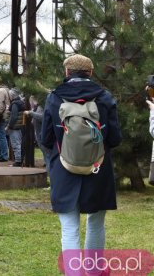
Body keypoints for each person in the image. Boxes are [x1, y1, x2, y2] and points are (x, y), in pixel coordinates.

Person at [41, 54, 121, 273]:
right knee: (96, 223)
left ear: (67, 72)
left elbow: (46, 138)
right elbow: (114, 139)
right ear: (91, 73)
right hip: (98, 168)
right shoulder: (104, 97)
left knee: (69, 228)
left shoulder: (55, 97)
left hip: (64, 169)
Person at [25, 96, 50, 172]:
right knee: (45, 154)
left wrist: (31, 113)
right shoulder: (39, 107)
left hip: (43, 134)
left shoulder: (42, 106)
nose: (31, 103)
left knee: (47, 154)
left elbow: (42, 117)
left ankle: (49, 172)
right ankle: (47, 169)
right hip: (39, 134)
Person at [5, 88, 25, 167]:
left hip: (15, 127)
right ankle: (19, 160)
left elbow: (13, 117)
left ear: (12, 95)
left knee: (16, 144)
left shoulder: (15, 104)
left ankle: (18, 161)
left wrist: (9, 126)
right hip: (19, 126)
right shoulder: (20, 102)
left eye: (9, 95)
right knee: (18, 143)